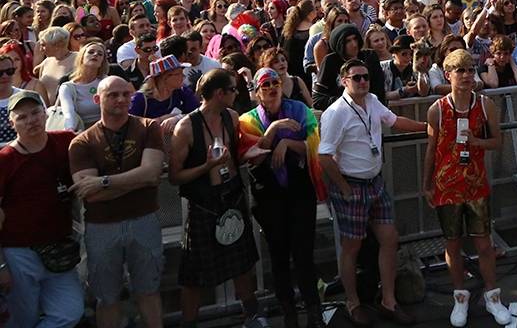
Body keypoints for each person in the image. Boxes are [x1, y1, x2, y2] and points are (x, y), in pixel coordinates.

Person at [319, 60, 425, 326]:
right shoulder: (335, 113)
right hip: (351, 186)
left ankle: (389, 301)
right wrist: (343, 188)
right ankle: (353, 303)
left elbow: (394, 121)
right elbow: (324, 156)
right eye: (357, 78)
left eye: (365, 76)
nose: (363, 81)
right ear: (344, 81)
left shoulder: (373, 100)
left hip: (375, 182)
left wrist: (426, 127)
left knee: (389, 238)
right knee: (351, 248)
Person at [169, 68, 267, 328]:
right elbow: (175, 176)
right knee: (194, 274)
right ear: (219, 93)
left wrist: (250, 153)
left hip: (233, 196)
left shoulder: (232, 117)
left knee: (243, 264)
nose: (237, 93)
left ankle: (252, 315)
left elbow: (237, 154)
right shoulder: (186, 127)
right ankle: (189, 324)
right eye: (233, 89)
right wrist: (206, 166)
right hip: (204, 204)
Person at [423, 50, 513, 327]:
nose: (466, 76)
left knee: (484, 243)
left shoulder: (485, 105)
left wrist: (476, 141)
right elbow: (431, 149)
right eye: (460, 71)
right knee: (452, 244)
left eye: (470, 70)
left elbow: (497, 141)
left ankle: (492, 296)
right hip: (446, 186)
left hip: (475, 185)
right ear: (447, 74)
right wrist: (426, 184)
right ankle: (460, 297)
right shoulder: (437, 109)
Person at [68, 76, 165, 328]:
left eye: (126, 94)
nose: (121, 99)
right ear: (97, 99)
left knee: (149, 291)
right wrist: (139, 179)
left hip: (144, 219)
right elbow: (89, 195)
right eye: (113, 95)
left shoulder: (148, 127)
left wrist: (103, 182)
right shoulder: (82, 142)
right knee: (107, 297)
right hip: (102, 227)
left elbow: (153, 173)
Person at [240, 68, 325, 328]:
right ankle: (288, 310)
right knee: (278, 254)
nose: (272, 88)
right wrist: (275, 129)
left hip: (300, 191)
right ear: (256, 92)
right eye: (265, 85)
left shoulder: (299, 109)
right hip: (268, 194)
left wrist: (288, 144)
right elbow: (253, 153)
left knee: (303, 253)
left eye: (275, 82)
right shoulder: (247, 120)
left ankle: (313, 309)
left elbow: (315, 143)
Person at [0, 91, 86, 328]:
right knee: (22, 320)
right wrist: (1, 266)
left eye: (36, 112)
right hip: (19, 252)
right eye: (23, 116)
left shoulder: (66, 140)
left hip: (58, 248)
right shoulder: (5, 159)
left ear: (45, 113)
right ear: (11, 122)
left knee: (70, 311)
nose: (31, 120)